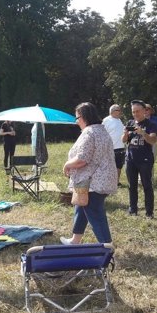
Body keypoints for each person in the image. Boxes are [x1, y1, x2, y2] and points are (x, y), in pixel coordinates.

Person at [61, 102, 118, 245]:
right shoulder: (101, 130)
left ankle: (106, 247)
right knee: (81, 206)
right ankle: (75, 240)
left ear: (84, 117)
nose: (76, 121)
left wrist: (67, 165)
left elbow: (82, 159)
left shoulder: (89, 132)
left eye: (77, 118)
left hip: (93, 181)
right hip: (101, 178)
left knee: (95, 212)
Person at [123, 100, 157, 219]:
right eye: (133, 112)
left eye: (137, 111)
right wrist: (125, 134)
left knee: (147, 186)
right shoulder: (130, 122)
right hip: (131, 159)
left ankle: (149, 212)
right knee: (131, 185)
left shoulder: (151, 124)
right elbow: (124, 140)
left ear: (145, 111)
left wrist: (143, 133)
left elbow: (153, 140)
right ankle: (132, 209)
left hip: (145, 159)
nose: (135, 114)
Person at [102, 104, 125, 185]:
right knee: (110, 166)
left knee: (119, 166)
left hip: (121, 147)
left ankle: (116, 182)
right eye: (118, 110)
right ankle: (108, 182)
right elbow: (102, 134)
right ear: (112, 111)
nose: (120, 112)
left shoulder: (119, 120)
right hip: (111, 148)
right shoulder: (106, 120)